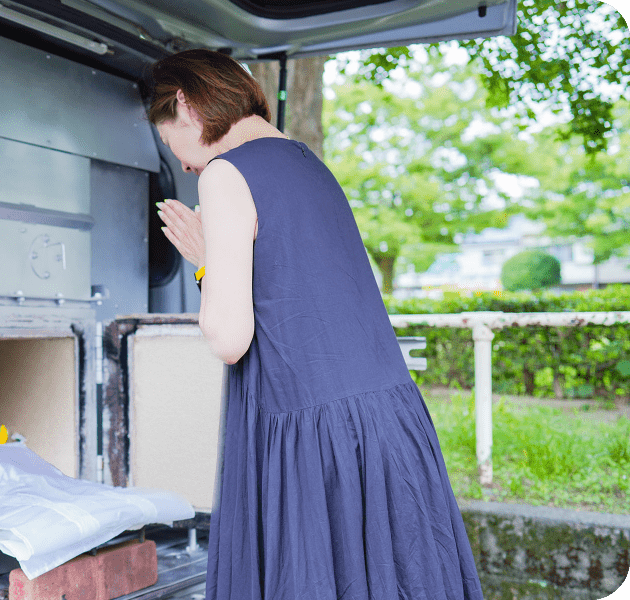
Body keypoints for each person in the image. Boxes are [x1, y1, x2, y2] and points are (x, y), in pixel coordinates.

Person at [146, 49, 484, 599]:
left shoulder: (224, 172)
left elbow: (230, 339)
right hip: (390, 421)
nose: (182, 164)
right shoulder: (308, 162)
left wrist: (206, 264)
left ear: (184, 103)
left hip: (313, 435)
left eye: (170, 143)